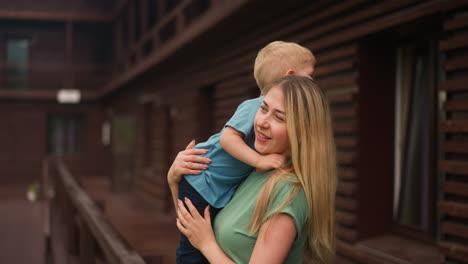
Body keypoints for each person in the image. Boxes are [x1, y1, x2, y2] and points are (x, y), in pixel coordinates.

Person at [167, 41, 316, 264]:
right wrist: (172, 180)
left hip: (206, 185)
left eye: (279, 116)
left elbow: (204, 238)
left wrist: (206, 244)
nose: (262, 122)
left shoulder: (286, 191)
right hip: (203, 179)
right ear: (290, 76)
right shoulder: (258, 164)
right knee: (189, 253)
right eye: (264, 110)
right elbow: (195, 228)